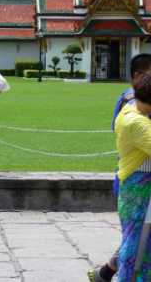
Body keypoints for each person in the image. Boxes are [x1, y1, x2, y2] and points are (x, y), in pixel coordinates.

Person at [87, 53, 151, 282]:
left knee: (139, 239)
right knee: (134, 240)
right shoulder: (133, 112)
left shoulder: (132, 106)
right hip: (137, 179)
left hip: (136, 175)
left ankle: (107, 273)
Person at [114, 73, 151, 281]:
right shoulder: (136, 122)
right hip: (139, 184)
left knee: (142, 242)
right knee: (133, 241)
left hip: (138, 182)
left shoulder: (132, 108)